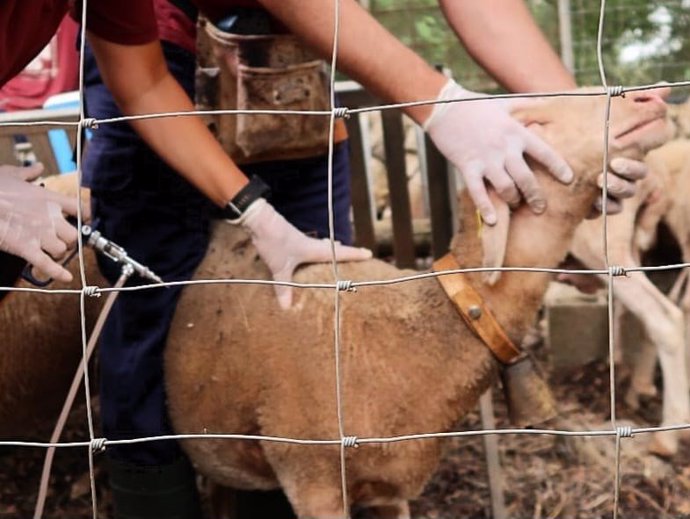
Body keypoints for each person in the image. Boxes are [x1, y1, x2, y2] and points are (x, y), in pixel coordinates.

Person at [2, 1, 647, 517]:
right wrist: (443, 106)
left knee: (314, 305)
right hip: (162, 42)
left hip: (296, 62)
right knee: (146, 292)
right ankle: (153, 492)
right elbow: (141, 80)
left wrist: (583, 128)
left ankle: (281, 489)